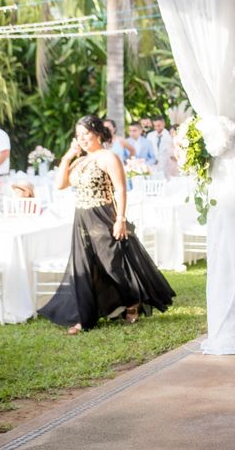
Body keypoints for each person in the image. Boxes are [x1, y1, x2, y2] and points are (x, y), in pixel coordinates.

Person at [38, 115, 175, 335]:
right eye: (78, 135)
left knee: (112, 263)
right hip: (82, 217)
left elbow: (120, 189)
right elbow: (61, 184)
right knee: (83, 267)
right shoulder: (79, 160)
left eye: (86, 134)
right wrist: (69, 156)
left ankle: (132, 302)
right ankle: (85, 318)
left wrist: (120, 219)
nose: (82, 139)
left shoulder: (108, 157)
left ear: (98, 133)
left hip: (103, 215)